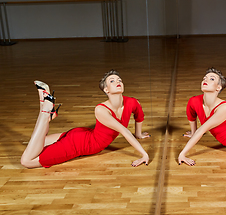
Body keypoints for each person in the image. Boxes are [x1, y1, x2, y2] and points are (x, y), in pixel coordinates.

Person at [21, 69, 150, 168]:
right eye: (112, 81)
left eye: (120, 80)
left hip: (81, 135)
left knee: (36, 142)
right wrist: (144, 154)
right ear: (106, 89)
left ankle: (46, 111)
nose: (118, 82)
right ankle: (45, 111)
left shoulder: (133, 102)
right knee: (26, 161)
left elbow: (139, 116)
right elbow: (124, 131)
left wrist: (138, 134)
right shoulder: (101, 110)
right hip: (79, 145)